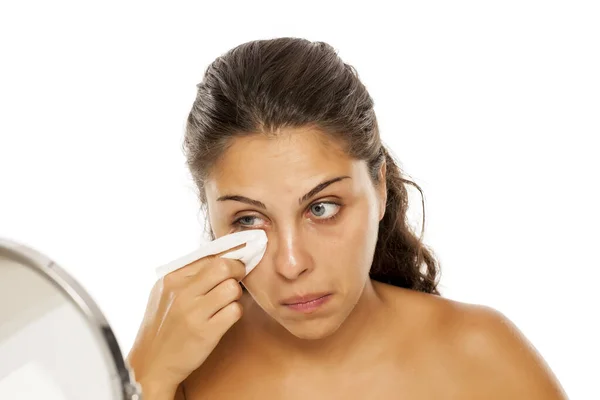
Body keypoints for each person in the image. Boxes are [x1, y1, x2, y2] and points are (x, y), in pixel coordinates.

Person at [126, 37, 567, 399]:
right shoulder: (181, 370)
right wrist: (145, 378)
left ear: (378, 184)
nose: (292, 264)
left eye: (322, 208)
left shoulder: (480, 355)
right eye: (248, 220)